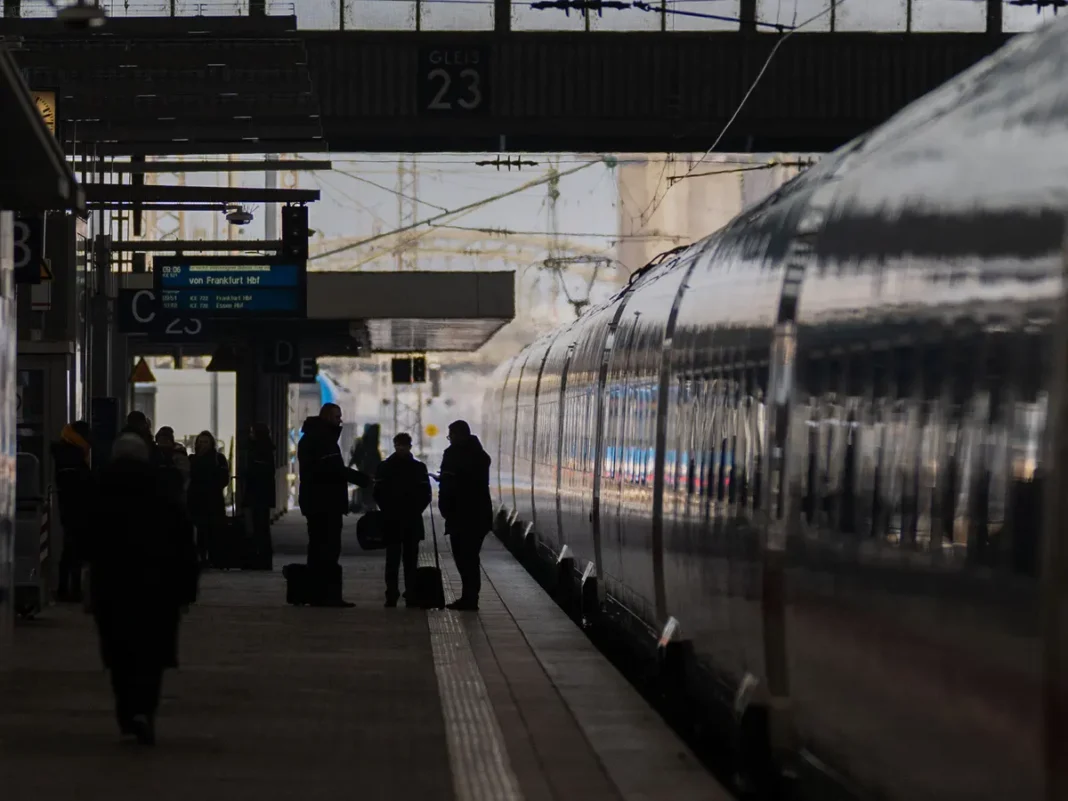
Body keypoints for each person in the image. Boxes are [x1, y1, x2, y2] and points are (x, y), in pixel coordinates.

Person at [83, 433, 199, 746]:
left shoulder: (101, 487)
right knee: (151, 653)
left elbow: (87, 538)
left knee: (121, 653)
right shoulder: (162, 488)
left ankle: (127, 712)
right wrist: (187, 589)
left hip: (113, 586)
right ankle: (144, 711)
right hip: (157, 588)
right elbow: (182, 540)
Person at [298, 403, 372, 607]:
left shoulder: (313, 437)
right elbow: (335, 470)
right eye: (337, 416)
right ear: (327, 417)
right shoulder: (323, 440)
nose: (340, 420)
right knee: (328, 548)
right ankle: (329, 595)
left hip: (316, 501)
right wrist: (366, 480)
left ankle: (316, 594)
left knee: (317, 547)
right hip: (325, 502)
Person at [438, 420, 493, 611]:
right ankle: (470, 597)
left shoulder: (453, 455)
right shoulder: (481, 456)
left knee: (464, 558)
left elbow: (449, 484)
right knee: (470, 558)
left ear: (459, 435)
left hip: (461, 515)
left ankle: (469, 599)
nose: (450, 439)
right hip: (479, 516)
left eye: (451, 435)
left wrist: (444, 508)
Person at [373, 432, 431, 608]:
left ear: (409, 446)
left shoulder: (387, 467)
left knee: (405, 560)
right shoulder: (416, 468)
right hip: (403, 519)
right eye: (398, 445)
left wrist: (391, 509)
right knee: (397, 559)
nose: (401, 448)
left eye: (403, 445)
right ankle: (394, 593)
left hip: (401, 519)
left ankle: (405, 593)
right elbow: (424, 494)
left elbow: (426, 495)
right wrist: (412, 510)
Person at [52, 421, 93, 602]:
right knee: (74, 550)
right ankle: (70, 589)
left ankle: (67, 588)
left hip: (71, 507)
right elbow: (80, 483)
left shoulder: (67, 451)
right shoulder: (71, 454)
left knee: (71, 550)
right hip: (75, 508)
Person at [187, 430, 229, 566]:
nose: (203, 445)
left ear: (211, 443)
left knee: (215, 530)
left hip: (214, 500)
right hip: (196, 500)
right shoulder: (192, 459)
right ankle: (202, 557)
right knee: (200, 530)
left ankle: (215, 558)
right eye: (200, 442)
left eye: (205, 442)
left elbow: (224, 479)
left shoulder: (219, 458)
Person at [243, 422, 276, 570]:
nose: (250, 435)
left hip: (258, 494)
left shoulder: (260, 452)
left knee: (259, 527)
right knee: (261, 528)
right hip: (262, 495)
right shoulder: (264, 450)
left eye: (252, 432)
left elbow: (257, 473)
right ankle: (262, 558)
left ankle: (261, 559)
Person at [155, 426, 190, 503]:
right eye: (161, 440)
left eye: (165, 440)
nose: (163, 443)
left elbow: (184, 476)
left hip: (172, 495)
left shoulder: (155, 454)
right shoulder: (179, 454)